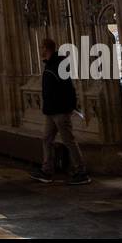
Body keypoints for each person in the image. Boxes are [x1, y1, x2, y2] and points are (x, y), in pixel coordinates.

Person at [31, 38, 91, 184]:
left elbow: (68, 88)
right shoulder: (50, 65)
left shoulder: (58, 65)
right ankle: (47, 170)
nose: (40, 50)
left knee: (68, 140)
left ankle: (81, 171)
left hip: (60, 111)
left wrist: (69, 107)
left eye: (41, 47)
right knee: (46, 139)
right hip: (51, 111)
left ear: (47, 48)